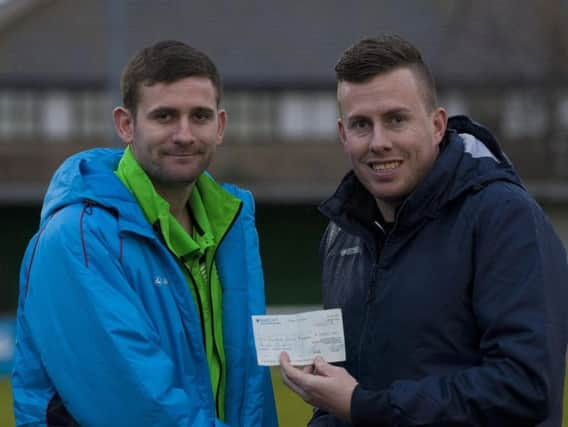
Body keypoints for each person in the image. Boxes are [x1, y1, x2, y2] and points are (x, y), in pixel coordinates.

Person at [280, 34, 568, 426]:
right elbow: (345, 398)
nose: (379, 142)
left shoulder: (504, 217)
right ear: (343, 135)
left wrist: (365, 405)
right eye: (361, 124)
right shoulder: (340, 236)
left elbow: (525, 386)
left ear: (436, 125)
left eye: (396, 119)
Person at [12, 40, 277, 427]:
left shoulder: (231, 228)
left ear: (220, 126)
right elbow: (141, 409)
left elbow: (248, 390)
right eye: (165, 116)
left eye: (199, 116)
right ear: (126, 125)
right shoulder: (77, 239)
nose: (185, 134)